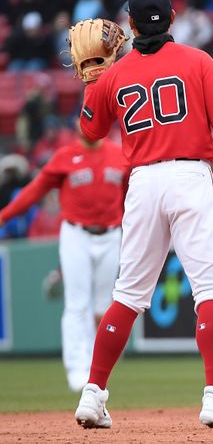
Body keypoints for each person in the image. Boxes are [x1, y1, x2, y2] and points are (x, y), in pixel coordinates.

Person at [73, 0, 213, 429]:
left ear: (129, 23)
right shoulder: (197, 61)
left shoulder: (115, 74)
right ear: (172, 18)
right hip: (189, 178)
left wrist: (93, 80)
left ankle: (93, 392)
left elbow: (90, 133)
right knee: (211, 292)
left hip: (142, 184)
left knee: (127, 296)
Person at [0, 128, 128, 393]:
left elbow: (132, 198)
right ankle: (76, 368)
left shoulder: (119, 155)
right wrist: (4, 216)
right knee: (77, 303)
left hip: (111, 234)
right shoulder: (65, 156)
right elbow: (34, 191)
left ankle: (96, 371)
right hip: (76, 233)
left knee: (104, 307)